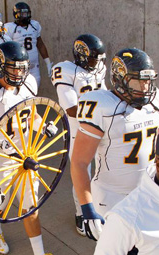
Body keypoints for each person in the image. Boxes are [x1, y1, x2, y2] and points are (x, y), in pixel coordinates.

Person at [0, 41, 62, 255]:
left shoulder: (29, 83)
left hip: (26, 152)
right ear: (1, 67)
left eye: (22, 68)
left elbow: (31, 116)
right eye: (13, 68)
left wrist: (43, 126)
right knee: (1, 202)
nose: (19, 73)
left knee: (31, 205)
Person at [71, 48, 159, 241]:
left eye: (148, 80)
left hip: (147, 192)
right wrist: (86, 208)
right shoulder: (101, 104)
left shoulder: (155, 100)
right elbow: (79, 162)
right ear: (120, 79)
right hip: (112, 197)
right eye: (138, 80)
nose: (145, 87)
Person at [51, 33, 107, 236]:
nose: (98, 62)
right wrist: (100, 111)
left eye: (100, 59)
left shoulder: (99, 68)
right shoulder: (66, 70)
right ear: (82, 55)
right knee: (82, 172)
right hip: (79, 128)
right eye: (94, 58)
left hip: (100, 125)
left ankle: (99, 207)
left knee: (103, 170)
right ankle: (81, 214)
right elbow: (72, 109)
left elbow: (105, 93)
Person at [3, 2, 51, 87]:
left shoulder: (34, 25)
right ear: (16, 14)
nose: (24, 16)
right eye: (22, 14)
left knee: (35, 90)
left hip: (34, 67)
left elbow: (40, 44)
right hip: (18, 67)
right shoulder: (10, 28)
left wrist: (48, 63)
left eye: (26, 14)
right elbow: (7, 48)